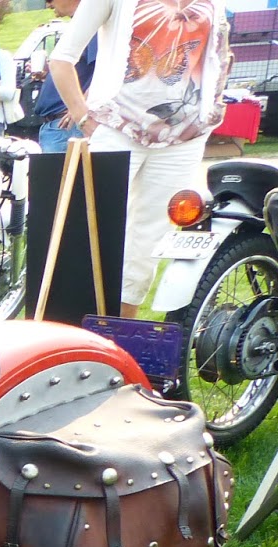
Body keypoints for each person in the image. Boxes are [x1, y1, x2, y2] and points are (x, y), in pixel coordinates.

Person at [49, 0, 231, 316]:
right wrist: (84, 118)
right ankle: (74, 326)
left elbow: (219, 55)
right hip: (116, 128)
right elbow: (62, 57)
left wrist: (210, 111)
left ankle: (122, 330)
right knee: (91, 232)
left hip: (183, 139)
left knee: (148, 243)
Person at [30, 0, 100, 153]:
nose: (48, 5)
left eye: (49, 0)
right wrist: (48, 75)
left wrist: (79, 109)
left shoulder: (91, 26)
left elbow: (103, 71)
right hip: (60, 126)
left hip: (67, 126)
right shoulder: (80, 26)